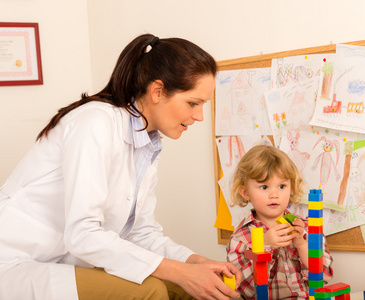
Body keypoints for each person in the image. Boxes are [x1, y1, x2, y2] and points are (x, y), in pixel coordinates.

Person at [0, 33, 242, 300]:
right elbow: (83, 234)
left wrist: (194, 262)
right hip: (18, 262)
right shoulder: (95, 123)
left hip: (64, 261)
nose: (198, 116)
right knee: (152, 290)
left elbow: (140, 232)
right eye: (193, 103)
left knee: (193, 290)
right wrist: (179, 271)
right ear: (158, 91)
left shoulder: (147, 142)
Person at [226, 144, 333, 299]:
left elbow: (325, 277)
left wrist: (302, 245)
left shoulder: (308, 228)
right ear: (245, 192)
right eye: (264, 187)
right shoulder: (239, 238)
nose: (274, 194)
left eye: (282, 186)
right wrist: (264, 246)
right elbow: (246, 290)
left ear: (291, 188)